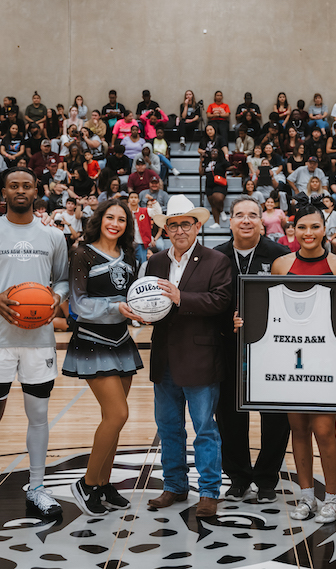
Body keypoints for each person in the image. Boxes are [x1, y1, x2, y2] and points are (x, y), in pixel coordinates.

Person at [0, 167, 68, 529]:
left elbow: (64, 281)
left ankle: (37, 487)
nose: (21, 190)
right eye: (14, 186)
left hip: (39, 343)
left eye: (27, 185)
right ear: (3, 192)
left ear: (36, 190)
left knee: (39, 416)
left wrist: (57, 298)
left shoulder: (53, 237)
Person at [143, 195, 233, 518]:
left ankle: (209, 492)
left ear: (197, 226)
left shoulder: (216, 261)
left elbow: (220, 301)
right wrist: (141, 313)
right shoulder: (154, 263)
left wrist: (182, 298)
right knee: (168, 428)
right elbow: (151, 303)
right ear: (166, 229)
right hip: (164, 358)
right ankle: (174, 486)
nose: (180, 230)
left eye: (186, 223)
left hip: (200, 359)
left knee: (204, 429)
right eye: (173, 224)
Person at [267, 204, 336, 524]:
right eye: (302, 227)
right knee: (298, 428)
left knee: (324, 429)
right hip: (291, 359)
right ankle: (306, 496)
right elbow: (270, 308)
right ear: (293, 230)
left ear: (324, 228)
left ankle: (331, 499)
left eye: (314, 227)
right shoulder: (281, 264)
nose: (308, 233)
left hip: (326, 359)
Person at [60, 197, 145, 514]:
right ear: (100, 219)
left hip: (122, 340)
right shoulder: (81, 253)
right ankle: (86, 483)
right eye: (110, 217)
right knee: (118, 414)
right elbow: (79, 305)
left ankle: (104, 485)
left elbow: (134, 297)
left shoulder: (130, 255)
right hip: (93, 342)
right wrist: (116, 307)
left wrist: (141, 312)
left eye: (121, 220)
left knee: (113, 420)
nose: (115, 224)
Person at [215, 198, 291, 503]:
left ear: (262, 221)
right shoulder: (215, 256)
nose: (245, 220)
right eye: (239, 215)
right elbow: (209, 300)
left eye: (252, 215)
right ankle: (238, 477)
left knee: (275, 416)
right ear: (229, 221)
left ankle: (267, 478)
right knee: (230, 416)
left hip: (270, 349)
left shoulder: (280, 256)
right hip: (228, 347)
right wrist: (226, 322)